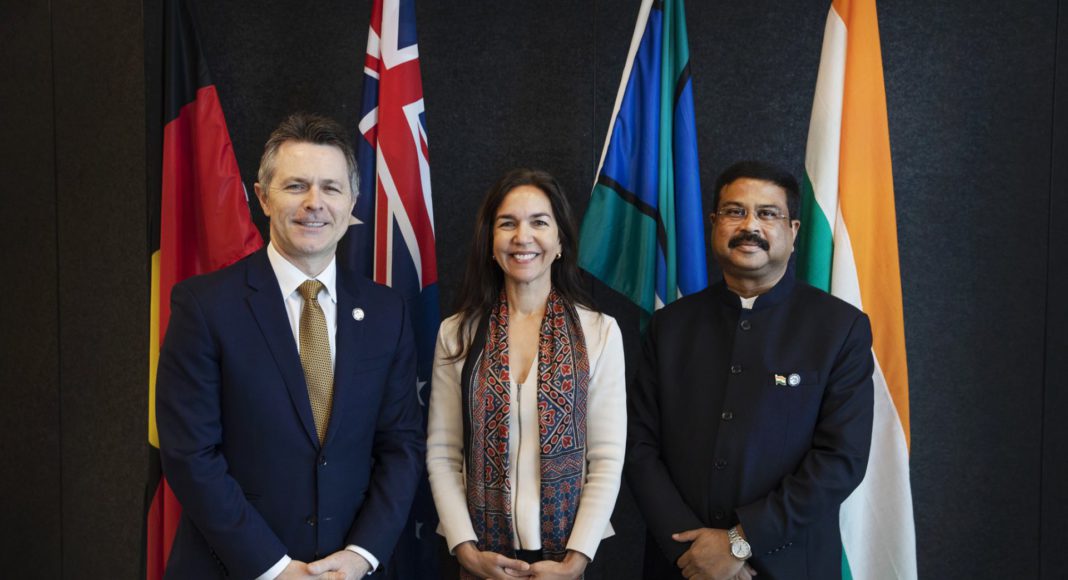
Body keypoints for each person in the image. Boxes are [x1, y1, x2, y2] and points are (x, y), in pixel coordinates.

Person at [156, 113, 424, 580]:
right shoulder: (204, 306)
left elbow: (401, 446)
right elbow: (190, 455)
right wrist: (274, 568)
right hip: (235, 569)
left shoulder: (388, 313)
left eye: (331, 188)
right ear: (263, 197)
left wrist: (362, 554)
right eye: (296, 186)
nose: (314, 203)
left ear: (352, 201)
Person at [627, 161, 875, 580]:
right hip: (681, 565)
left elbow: (840, 460)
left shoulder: (839, 328)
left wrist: (740, 542)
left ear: (793, 231)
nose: (750, 225)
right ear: (713, 224)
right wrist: (692, 551)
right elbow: (639, 447)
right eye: (734, 211)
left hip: (790, 566)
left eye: (768, 213)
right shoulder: (670, 326)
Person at [427, 169, 627, 580]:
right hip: (481, 559)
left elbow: (606, 459)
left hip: (563, 561)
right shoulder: (457, 333)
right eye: (507, 223)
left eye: (539, 222)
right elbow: (444, 453)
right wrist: (466, 551)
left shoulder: (600, 332)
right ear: (490, 242)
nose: (523, 237)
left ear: (560, 241)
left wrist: (575, 561)